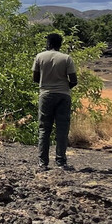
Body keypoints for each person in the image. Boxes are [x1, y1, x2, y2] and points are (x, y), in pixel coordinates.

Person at [32, 32, 77, 171]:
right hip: (63, 95)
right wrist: (64, 88)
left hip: (45, 95)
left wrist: (47, 84)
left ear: (49, 43)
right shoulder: (66, 58)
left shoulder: (40, 57)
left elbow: (35, 78)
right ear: (60, 44)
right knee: (62, 129)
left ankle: (43, 163)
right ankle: (61, 162)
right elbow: (74, 80)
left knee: (44, 129)